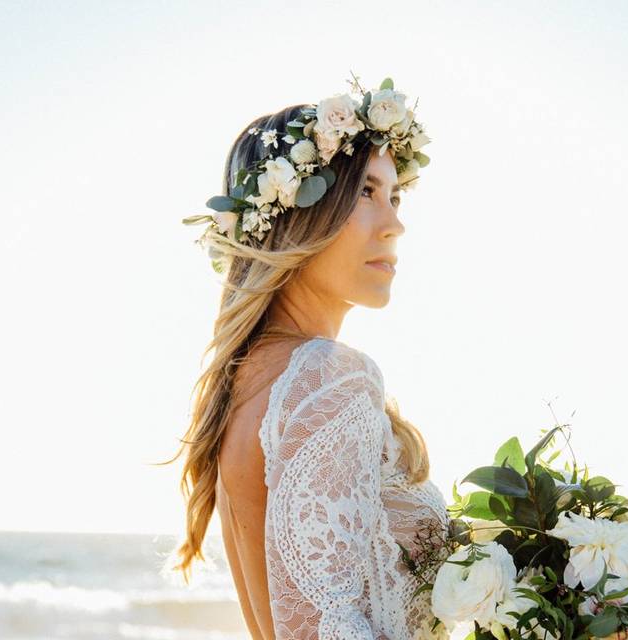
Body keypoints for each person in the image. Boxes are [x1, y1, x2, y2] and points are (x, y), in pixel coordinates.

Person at [163, 76, 449, 639]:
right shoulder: (327, 376)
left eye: (394, 196)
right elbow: (330, 625)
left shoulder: (250, 380)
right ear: (296, 214)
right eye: (364, 193)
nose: (394, 224)